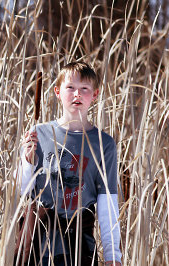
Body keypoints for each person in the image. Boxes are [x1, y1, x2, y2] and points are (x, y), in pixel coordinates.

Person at [14, 62, 122, 266]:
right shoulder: (39, 134)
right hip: (38, 241)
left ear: (95, 94)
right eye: (70, 87)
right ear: (57, 92)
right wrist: (27, 162)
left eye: (84, 89)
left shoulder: (103, 144)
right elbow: (22, 192)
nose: (77, 94)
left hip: (78, 242)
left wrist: (112, 256)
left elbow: (108, 203)